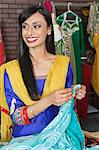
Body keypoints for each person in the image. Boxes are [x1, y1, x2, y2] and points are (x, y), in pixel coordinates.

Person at [0, 4, 87, 149]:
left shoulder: (63, 64)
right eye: (25, 26)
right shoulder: (11, 70)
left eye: (36, 26)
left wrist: (74, 92)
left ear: (48, 30)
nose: (29, 32)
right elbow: (17, 118)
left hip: (59, 137)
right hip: (25, 140)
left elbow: (68, 111)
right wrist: (49, 100)